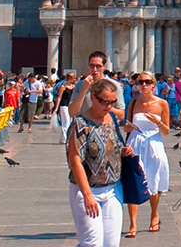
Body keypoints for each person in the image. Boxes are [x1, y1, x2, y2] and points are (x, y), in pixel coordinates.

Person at [66, 77, 134, 247]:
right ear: (93, 98)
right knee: (92, 243)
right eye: (104, 101)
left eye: (113, 102)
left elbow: (113, 147)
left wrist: (125, 151)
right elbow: (75, 161)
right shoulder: (80, 124)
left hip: (113, 189)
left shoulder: (111, 120)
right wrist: (87, 195)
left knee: (111, 243)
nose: (109, 106)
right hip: (87, 189)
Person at [126, 73, 171, 237]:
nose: (143, 85)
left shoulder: (162, 103)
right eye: (140, 82)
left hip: (153, 143)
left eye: (147, 82)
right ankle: (132, 224)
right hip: (135, 142)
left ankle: (154, 215)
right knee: (133, 180)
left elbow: (166, 131)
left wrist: (158, 122)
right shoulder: (133, 104)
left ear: (153, 84)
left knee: (154, 178)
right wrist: (127, 128)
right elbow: (127, 125)